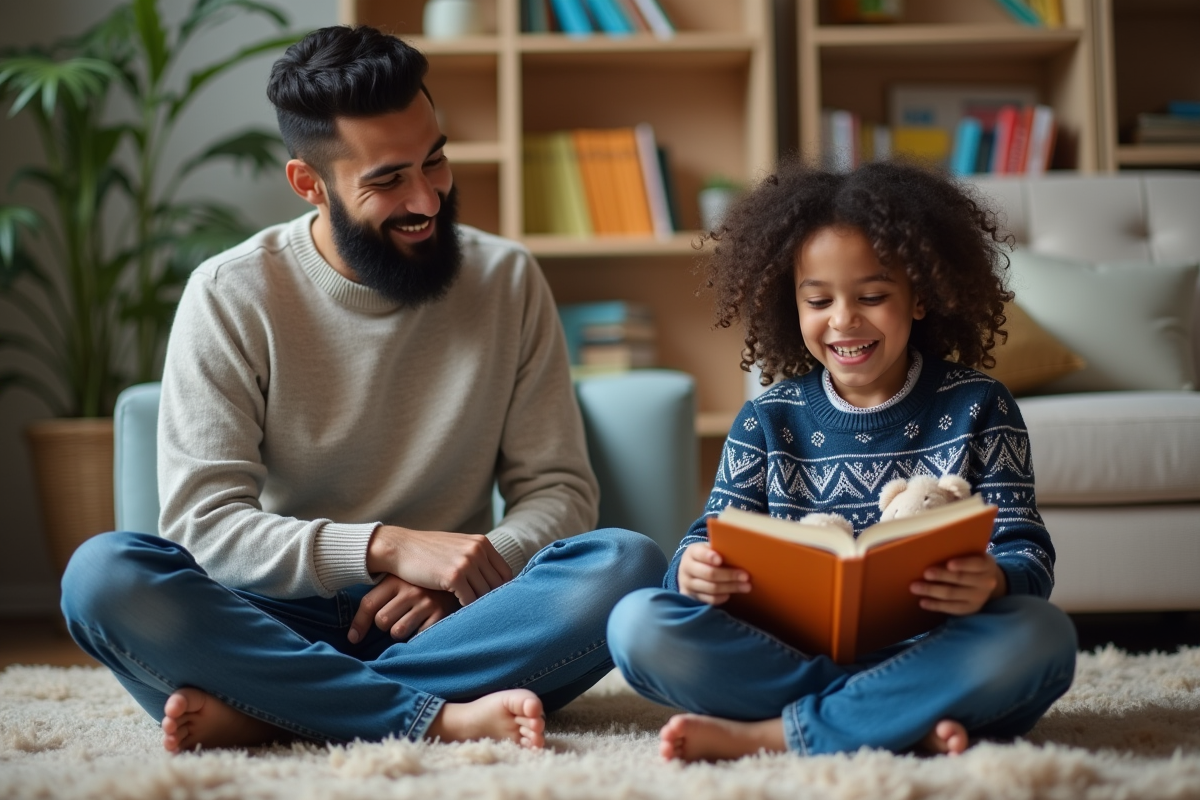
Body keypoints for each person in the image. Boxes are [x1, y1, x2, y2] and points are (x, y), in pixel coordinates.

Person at [60, 25, 666, 754]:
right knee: (103, 576)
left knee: (626, 564)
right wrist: (387, 547)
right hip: (271, 615)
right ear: (309, 185)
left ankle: (273, 707)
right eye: (386, 180)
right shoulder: (230, 293)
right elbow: (204, 527)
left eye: (434, 161)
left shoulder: (507, 279)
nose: (427, 199)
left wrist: (467, 572)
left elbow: (560, 492)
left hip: (454, 619)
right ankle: (430, 716)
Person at [606, 159, 1077, 762]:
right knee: (637, 625)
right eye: (818, 299)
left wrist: (995, 578)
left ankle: (777, 735)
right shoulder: (766, 419)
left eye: (873, 296)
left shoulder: (981, 406)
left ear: (922, 297)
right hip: (788, 657)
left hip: (938, 648)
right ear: (791, 306)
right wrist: (693, 571)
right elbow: (709, 538)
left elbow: (1027, 554)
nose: (843, 320)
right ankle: (897, 716)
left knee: (1043, 636)